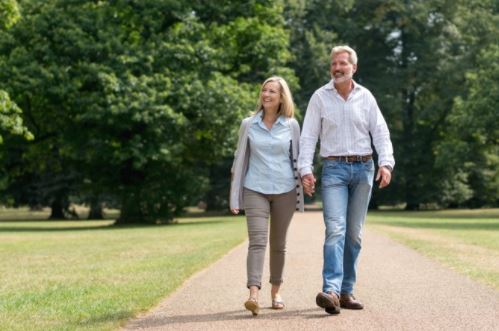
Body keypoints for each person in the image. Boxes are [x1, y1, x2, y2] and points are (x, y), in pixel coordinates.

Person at [298, 45, 395, 314]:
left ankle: (346, 291)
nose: (337, 68)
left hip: (364, 168)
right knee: (335, 230)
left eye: (343, 63)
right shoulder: (320, 97)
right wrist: (305, 169)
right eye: (333, 64)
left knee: (354, 235)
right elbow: (308, 137)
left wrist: (386, 163)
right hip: (334, 171)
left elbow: (380, 133)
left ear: (354, 67)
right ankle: (330, 289)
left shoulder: (366, 97)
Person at [230, 76, 304, 316]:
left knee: (278, 245)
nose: (266, 95)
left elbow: (299, 159)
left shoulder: (292, 125)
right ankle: (253, 294)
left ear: (282, 97)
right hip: (255, 188)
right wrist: (234, 197)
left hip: (285, 191)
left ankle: (276, 292)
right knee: (257, 242)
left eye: (272, 91)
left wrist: (307, 179)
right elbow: (239, 161)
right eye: (264, 90)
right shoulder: (248, 124)